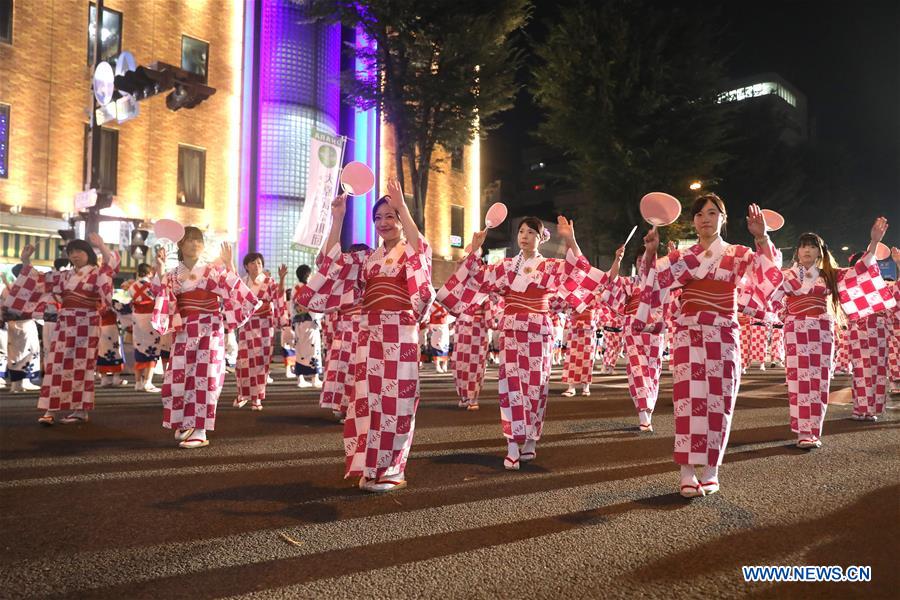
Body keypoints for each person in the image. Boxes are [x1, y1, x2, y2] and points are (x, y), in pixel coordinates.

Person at [634, 195, 783, 498]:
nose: (705, 218)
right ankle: (687, 470)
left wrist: (762, 237)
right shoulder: (678, 258)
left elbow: (769, 279)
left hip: (723, 334)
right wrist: (650, 255)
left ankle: (711, 469)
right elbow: (652, 287)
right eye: (700, 214)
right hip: (688, 335)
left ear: (723, 219)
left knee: (720, 400)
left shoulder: (739, 254)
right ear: (693, 221)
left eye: (713, 213)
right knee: (688, 400)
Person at [295, 180, 434, 493]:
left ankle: (393, 469)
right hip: (369, 332)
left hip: (399, 331)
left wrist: (403, 207)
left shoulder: (410, 251)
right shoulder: (368, 259)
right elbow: (331, 263)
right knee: (368, 401)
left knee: (396, 399)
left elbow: (421, 250)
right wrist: (339, 218)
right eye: (379, 217)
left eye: (391, 216)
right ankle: (371, 466)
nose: (384, 222)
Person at [437, 215, 598, 470]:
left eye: (531, 232)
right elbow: (478, 277)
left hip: (538, 332)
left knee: (536, 387)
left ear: (541, 238)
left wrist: (571, 240)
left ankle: (531, 440)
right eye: (521, 231)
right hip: (511, 331)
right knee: (511, 386)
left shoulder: (549, 267)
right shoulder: (506, 265)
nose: (524, 236)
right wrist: (475, 248)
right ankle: (512, 443)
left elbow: (576, 270)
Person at [769, 220, 892, 448]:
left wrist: (874, 242)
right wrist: (782, 317)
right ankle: (803, 430)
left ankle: (813, 431)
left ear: (820, 252)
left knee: (819, 380)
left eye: (812, 246)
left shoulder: (830, 276)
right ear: (797, 251)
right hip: (795, 329)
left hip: (821, 330)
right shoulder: (786, 276)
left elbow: (860, 271)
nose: (807, 249)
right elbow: (769, 298)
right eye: (803, 245)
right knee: (798, 380)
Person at [152, 227, 257, 448]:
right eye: (189, 240)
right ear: (180, 245)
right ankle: (184, 421)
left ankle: (200, 429)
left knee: (206, 377)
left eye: (198, 240)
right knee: (178, 377)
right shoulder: (172, 275)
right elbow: (161, 298)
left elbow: (238, 293)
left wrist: (229, 266)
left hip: (210, 328)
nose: (194, 243)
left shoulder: (213, 270)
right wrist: (159, 269)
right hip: (184, 330)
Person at [3, 234, 119, 424]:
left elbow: (110, 268)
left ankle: (80, 410)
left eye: (79, 251)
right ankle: (50, 409)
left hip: (87, 324)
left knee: (82, 367)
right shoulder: (64, 275)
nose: (74, 255)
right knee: (57, 364)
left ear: (89, 253)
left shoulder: (97, 273)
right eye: (71, 252)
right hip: (65, 323)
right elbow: (37, 280)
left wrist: (102, 245)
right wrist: (26, 260)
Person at [601, 245, 666, 431]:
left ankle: (648, 407)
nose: (642, 263)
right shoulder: (630, 282)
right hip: (633, 328)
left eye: (646, 260)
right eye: (639, 260)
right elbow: (611, 281)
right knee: (637, 368)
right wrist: (617, 260)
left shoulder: (661, 282)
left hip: (654, 328)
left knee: (653, 370)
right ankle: (643, 415)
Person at [841, 231, 897, 421]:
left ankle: (873, 409)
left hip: (879, 332)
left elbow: (896, 298)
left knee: (879, 371)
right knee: (861, 371)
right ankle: (861, 408)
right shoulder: (848, 286)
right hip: (859, 331)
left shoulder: (883, 286)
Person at [234, 253, 288, 411]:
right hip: (247, 325)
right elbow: (236, 301)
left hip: (264, 325)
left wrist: (282, 279)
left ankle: (257, 397)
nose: (256, 265)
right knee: (243, 360)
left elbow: (278, 295)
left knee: (261, 361)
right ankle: (243, 393)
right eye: (252, 263)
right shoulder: (242, 282)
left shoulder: (268, 281)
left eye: (259, 262)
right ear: (246, 266)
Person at [127, 263, 163, 392]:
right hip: (150, 318)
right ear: (149, 273)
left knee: (139, 348)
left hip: (137, 318)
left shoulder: (132, 286)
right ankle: (148, 382)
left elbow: (126, 303)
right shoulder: (153, 286)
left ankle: (138, 383)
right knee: (152, 349)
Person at [292, 264, 324, 389]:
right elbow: (315, 306)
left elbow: (292, 307)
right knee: (313, 350)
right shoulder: (309, 289)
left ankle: (300, 378)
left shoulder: (295, 288)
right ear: (308, 275)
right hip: (310, 322)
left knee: (300, 350)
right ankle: (314, 378)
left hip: (298, 323)